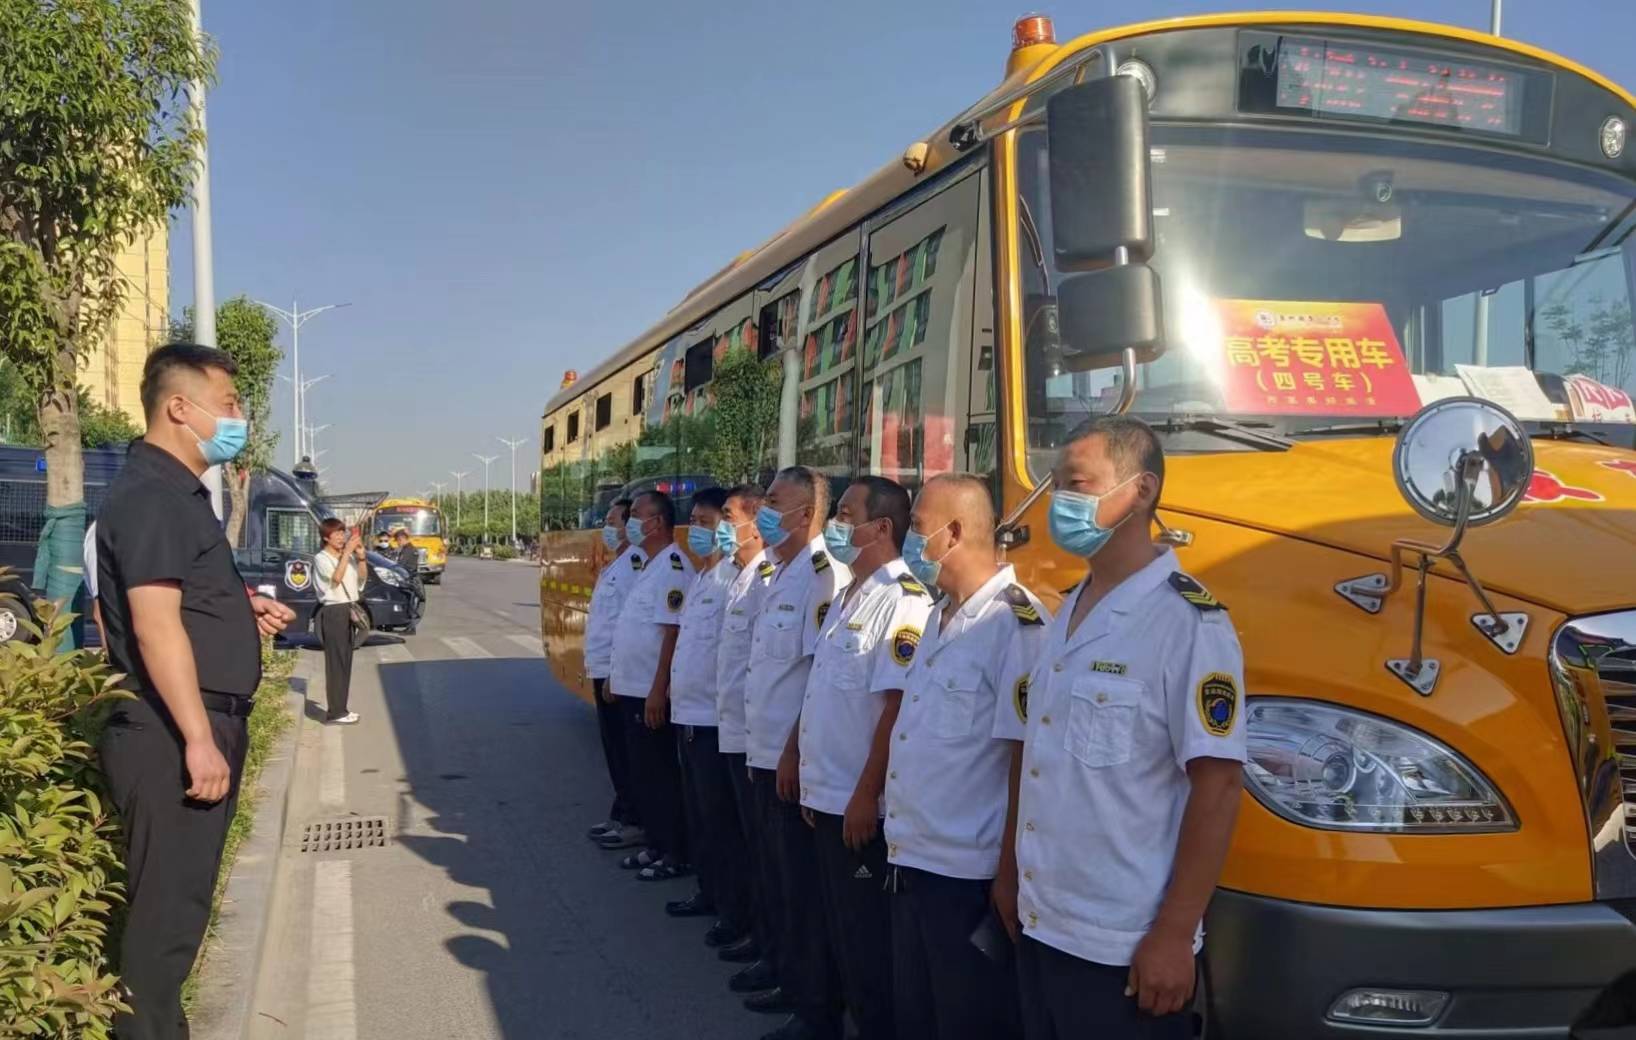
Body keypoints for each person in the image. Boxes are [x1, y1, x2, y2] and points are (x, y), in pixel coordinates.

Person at [997, 416, 1246, 1040]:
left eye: (1077, 483)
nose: (1060, 500)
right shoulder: (1068, 611)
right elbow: (1038, 759)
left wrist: (1174, 934)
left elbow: (1218, 786)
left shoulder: (1188, 623)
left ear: (1140, 491)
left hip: (1122, 946)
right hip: (1042, 922)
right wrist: (1011, 875)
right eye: (1056, 484)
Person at [95, 343, 295, 1040]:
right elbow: (153, 627)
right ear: (180, 408)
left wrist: (238, 607)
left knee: (177, 918)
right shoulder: (153, 497)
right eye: (230, 404)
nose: (239, 418)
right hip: (171, 735)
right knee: (165, 927)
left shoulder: (176, 495)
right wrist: (199, 739)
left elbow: (172, 601)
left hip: (184, 726)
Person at [884, 473, 1048, 1040]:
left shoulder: (1015, 625)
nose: (909, 539)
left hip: (967, 874)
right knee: (918, 1014)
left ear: (952, 534)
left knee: (967, 1019)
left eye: (917, 526)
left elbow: (1025, 761)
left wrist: (1009, 874)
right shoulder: (940, 614)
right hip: (916, 856)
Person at [796, 475, 932, 1040]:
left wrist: (865, 795)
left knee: (866, 941)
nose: (836, 524)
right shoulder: (847, 593)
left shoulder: (903, 601)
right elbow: (823, 693)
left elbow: (895, 710)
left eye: (846, 514)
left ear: (880, 527)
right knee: (834, 927)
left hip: (858, 805)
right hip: (826, 791)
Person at [742, 465, 850, 1040]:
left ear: (806, 513)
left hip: (788, 759)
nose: (764, 511)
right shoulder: (778, 571)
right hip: (760, 750)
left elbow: (815, 677)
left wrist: (792, 752)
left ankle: (814, 1006)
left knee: (802, 890)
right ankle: (784, 973)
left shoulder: (822, 576)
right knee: (775, 876)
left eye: (773, 502)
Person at [666, 488, 754, 951]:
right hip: (691, 714)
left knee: (723, 824)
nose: (698, 530)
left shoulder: (733, 580)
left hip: (717, 722)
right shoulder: (706, 576)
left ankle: (733, 910)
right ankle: (710, 892)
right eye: (696, 521)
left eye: (708, 521)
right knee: (702, 818)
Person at [608, 489, 695, 879]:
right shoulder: (651, 565)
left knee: (660, 776)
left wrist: (659, 690)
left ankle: (675, 851)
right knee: (644, 774)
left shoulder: (673, 568)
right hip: (633, 688)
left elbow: (671, 635)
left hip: (649, 692)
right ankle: (656, 845)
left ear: (656, 523)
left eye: (636, 516)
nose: (630, 524)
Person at [713, 484, 778, 984]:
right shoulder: (739, 576)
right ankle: (757, 935)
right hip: (738, 730)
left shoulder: (769, 578)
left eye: (728, 517)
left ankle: (771, 947)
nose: (720, 526)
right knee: (745, 843)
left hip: (766, 743)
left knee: (769, 857)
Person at [586, 498, 647, 850]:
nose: (606, 528)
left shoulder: (634, 565)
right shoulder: (619, 563)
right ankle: (622, 812)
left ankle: (632, 818)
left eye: (613, 521)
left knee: (625, 753)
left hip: (616, 672)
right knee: (614, 750)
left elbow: (627, 625)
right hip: (603, 668)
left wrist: (613, 673)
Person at [314, 518, 368, 725]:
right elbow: (335, 580)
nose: (340, 537)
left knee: (345, 661)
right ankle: (335, 712)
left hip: (349, 609)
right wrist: (346, 554)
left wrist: (361, 558)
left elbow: (361, 580)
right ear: (326, 537)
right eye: (336, 533)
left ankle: (341, 708)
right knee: (336, 663)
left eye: (342, 532)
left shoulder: (348, 556)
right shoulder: (321, 558)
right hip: (333, 611)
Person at [389, 527, 424, 635]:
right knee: (408, 604)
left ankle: (411, 628)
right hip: (408, 580)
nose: (398, 543)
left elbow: (403, 566)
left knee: (411, 605)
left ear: (402, 538)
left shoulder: (409, 550)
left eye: (398, 540)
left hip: (410, 580)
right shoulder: (406, 549)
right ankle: (408, 626)